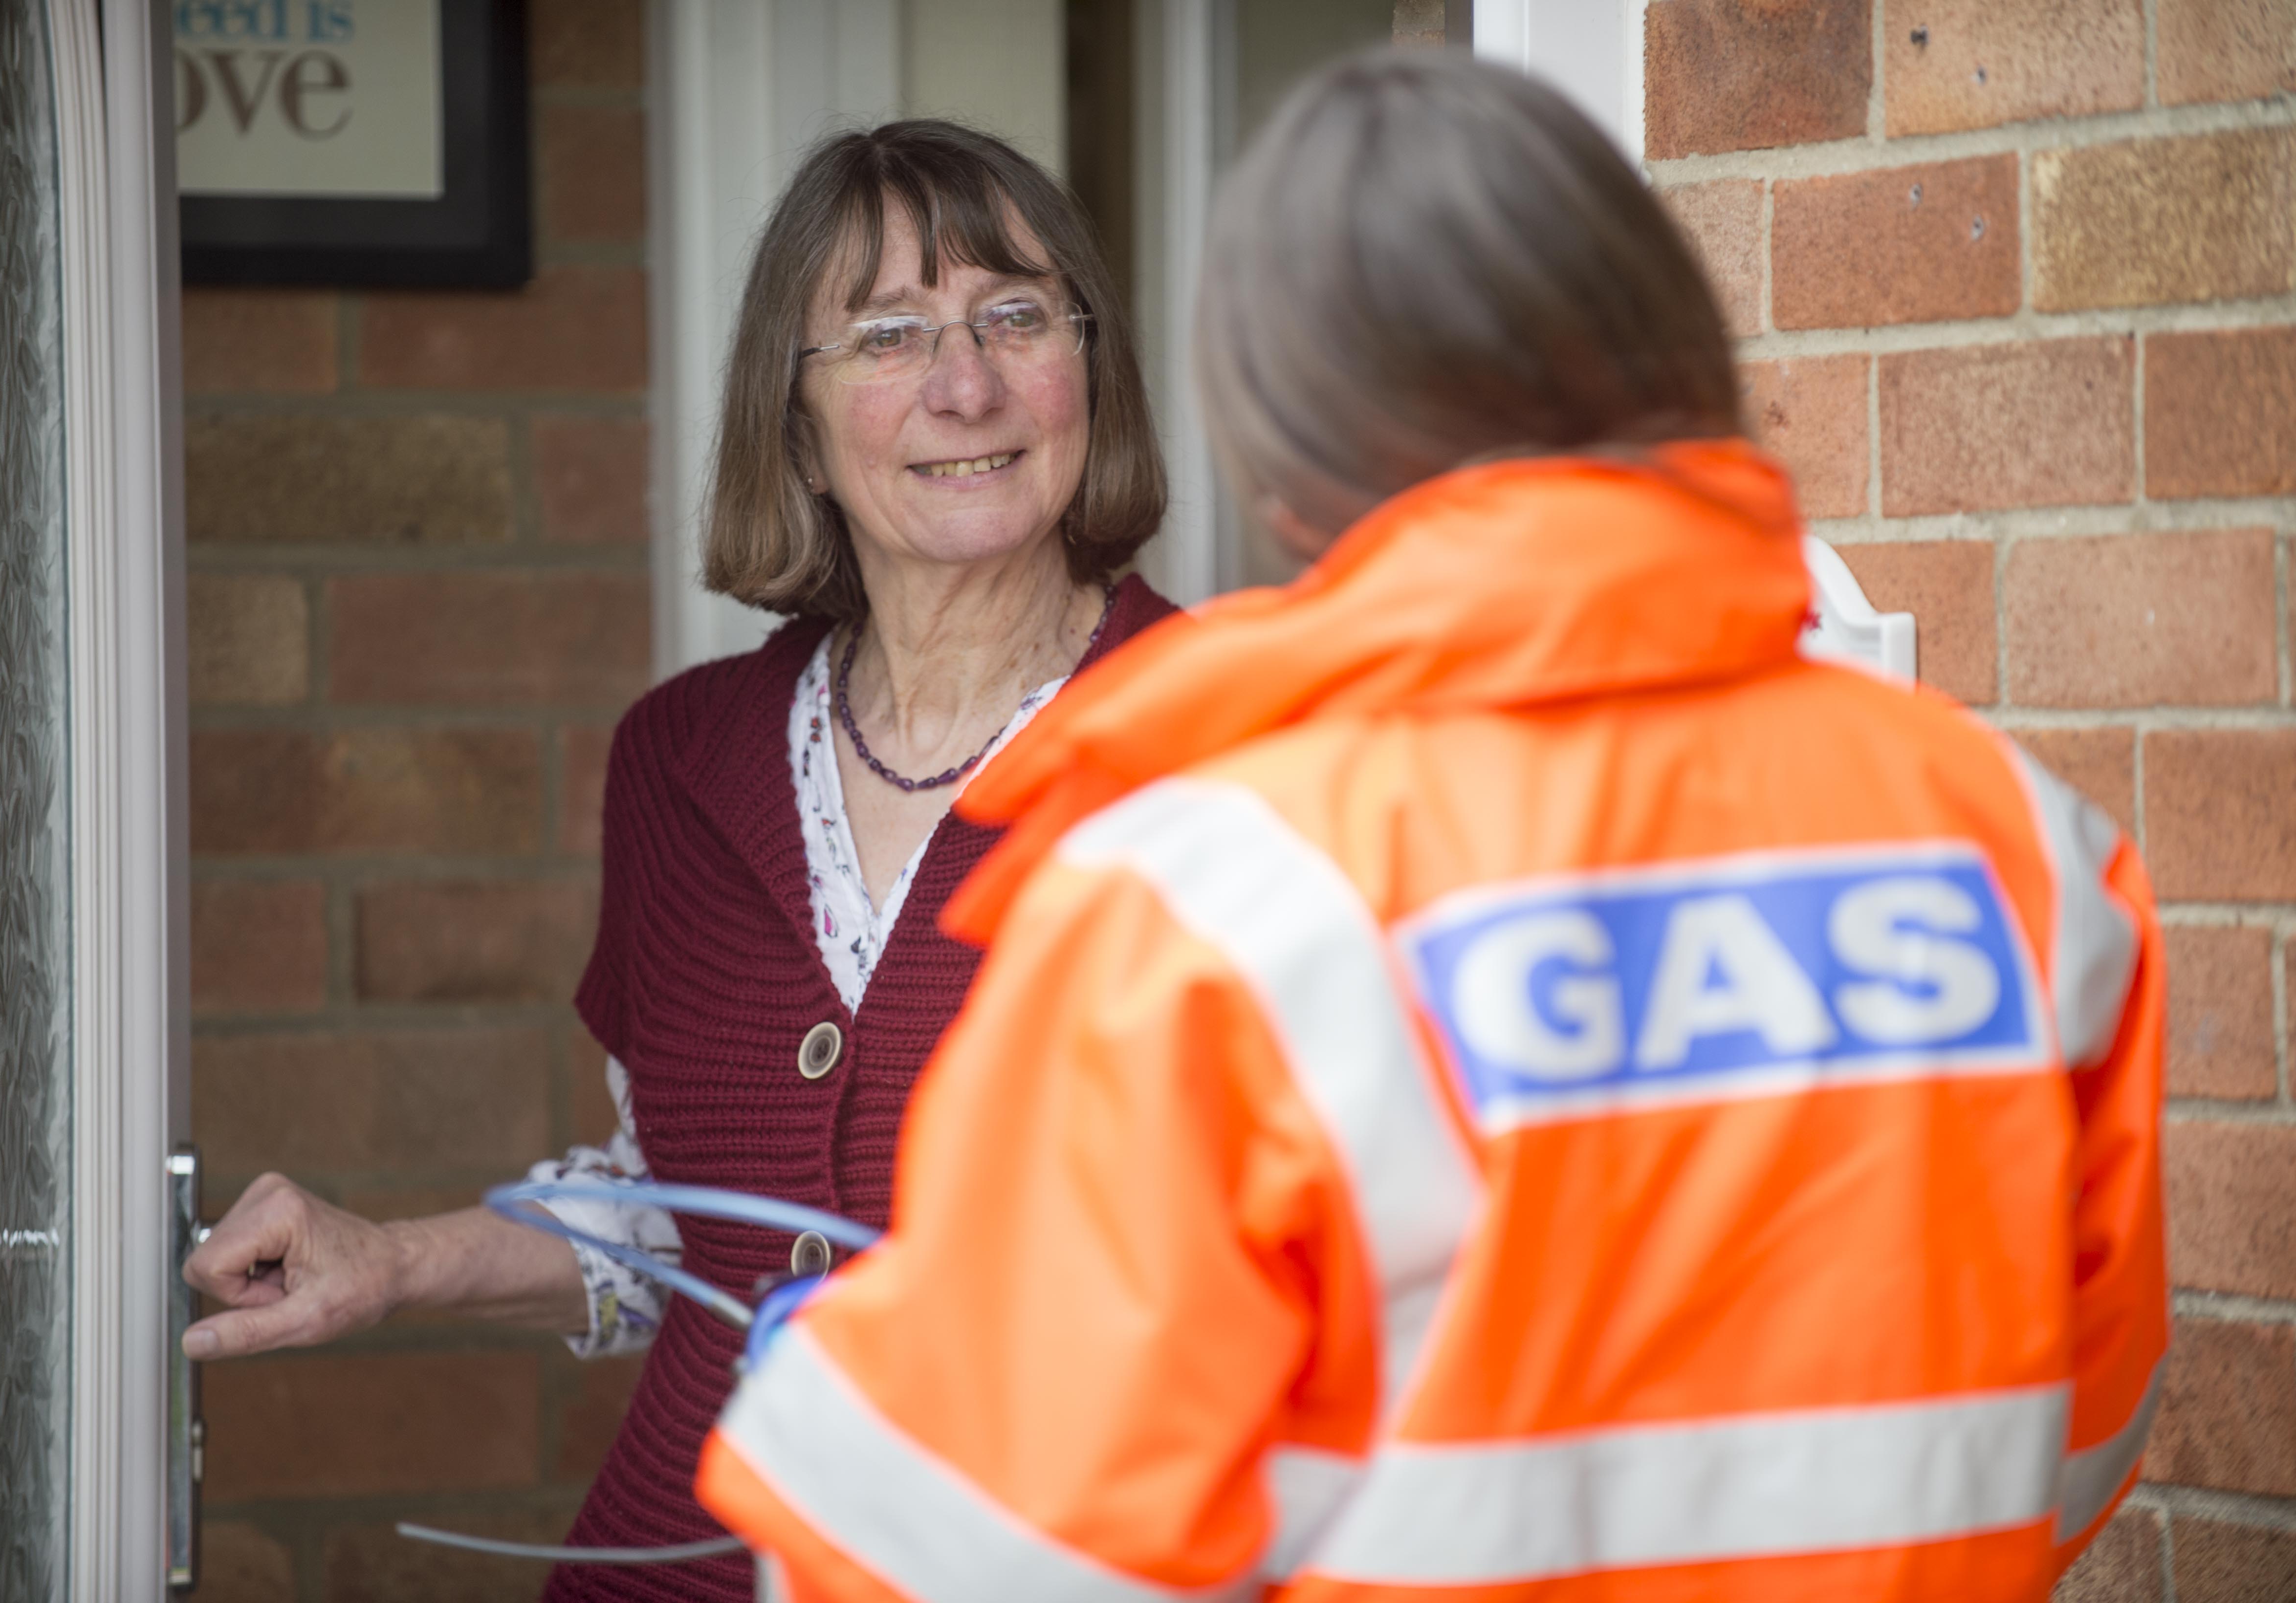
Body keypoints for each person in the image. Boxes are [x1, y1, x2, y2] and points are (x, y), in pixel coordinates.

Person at [697, 51, 2168, 1603]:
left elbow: (959, 1562)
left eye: (1011, 320)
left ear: (1278, 430)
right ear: (1669, 335)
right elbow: (2084, 1428)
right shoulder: (2016, 845)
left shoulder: (1212, 902)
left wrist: (852, 1390)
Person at [178, 120, 1175, 1599]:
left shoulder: (1233, 748)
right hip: (678, 1561)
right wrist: (392, 1261)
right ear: (798, 422)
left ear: (1088, 367)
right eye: (887, 335)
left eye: (1016, 317)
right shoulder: (685, 762)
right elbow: (686, 1207)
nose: (964, 385)